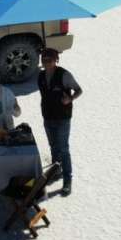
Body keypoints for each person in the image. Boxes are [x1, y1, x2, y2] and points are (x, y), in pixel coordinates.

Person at [37, 48, 81, 195]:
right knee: (53, 146)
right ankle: (56, 171)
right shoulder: (41, 76)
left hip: (62, 118)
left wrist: (70, 98)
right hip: (48, 117)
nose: (46, 63)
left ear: (56, 60)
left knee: (63, 149)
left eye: (49, 60)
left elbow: (79, 90)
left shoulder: (64, 75)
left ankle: (67, 180)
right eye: (43, 59)